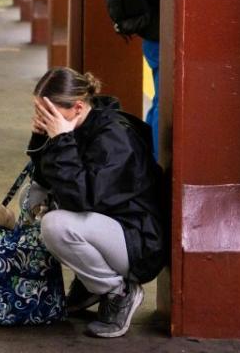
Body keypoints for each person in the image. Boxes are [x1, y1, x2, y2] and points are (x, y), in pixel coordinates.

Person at [26, 67, 166, 338]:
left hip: (139, 240)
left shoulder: (114, 137)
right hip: (109, 225)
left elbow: (80, 198)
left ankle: (119, 291)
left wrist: (61, 140)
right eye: (38, 111)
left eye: (48, 112)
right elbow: (48, 179)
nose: (43, 117)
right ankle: (92, 284)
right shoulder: (78, 124)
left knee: (55, 225)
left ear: (78, 107)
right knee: (35, 197)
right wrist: (43, 139)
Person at [136, 0, 162, 158]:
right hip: (160, 35)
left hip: (151, 37)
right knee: (164, 102)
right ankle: (155, 160)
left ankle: (149, 152)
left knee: (159, 100)